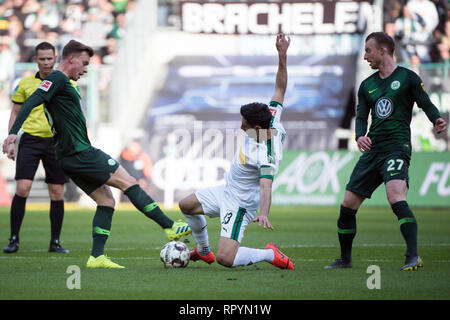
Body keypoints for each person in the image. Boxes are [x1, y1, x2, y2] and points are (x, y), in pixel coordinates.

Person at [3, 40, 191, 269]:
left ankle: (97, 257)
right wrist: (13, 134)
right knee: (129, 181)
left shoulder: (62, 82)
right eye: (83, 63)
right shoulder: (57, 78)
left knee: (106, 200)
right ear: (70, 59)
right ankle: (169, 226)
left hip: (67, 155)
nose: (85, 69)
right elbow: (31, 100)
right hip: (79, 152)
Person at [325, 32, 447, 271]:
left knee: (395, 195)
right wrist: (360, 135)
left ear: (383, 50)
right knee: (347, 205)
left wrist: (437, 119)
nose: (365, 55)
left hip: (396, 147)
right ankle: (345, 259)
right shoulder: (367, 85)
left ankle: (412, 255)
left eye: (369, 50)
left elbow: (425, 102)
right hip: (373, 151)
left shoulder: (408, 78)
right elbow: (361, 116)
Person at [178, 33, 294, 270]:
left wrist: (263, 213)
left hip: (241, 203)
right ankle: (202, 251)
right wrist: (282, 55)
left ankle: (269, 254)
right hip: (228, 190)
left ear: (258, 127)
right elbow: (280, 88)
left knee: (226, 259)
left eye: (244, 124)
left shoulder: (265, 154)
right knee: (186, 205)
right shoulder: (270, 117)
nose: (241, 126)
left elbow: (266, 185)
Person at [3, 42, 69, 254]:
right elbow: (15, 112)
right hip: (30, 140)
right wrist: (11, 138)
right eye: (42, 59)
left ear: (55, 58)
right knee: (22, 188)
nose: (47, 62)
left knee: (57, 192)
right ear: (35, 60)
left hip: (55, 142)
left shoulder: (65, 83)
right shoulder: (25, 84)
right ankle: (13, 239)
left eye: (50, 58)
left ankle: (55, 242)